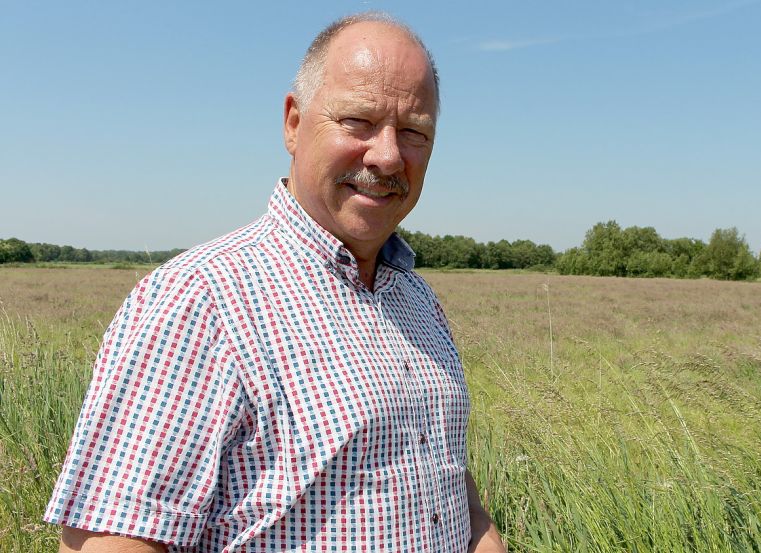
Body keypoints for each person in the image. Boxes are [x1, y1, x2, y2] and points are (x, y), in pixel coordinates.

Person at [45, 12, 506, 553]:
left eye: (414, 132)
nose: (386, 156)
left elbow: (442, 475)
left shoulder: (417, 298)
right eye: (358, 121)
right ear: (293, 122)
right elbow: (114, 541)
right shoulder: (200, 299)